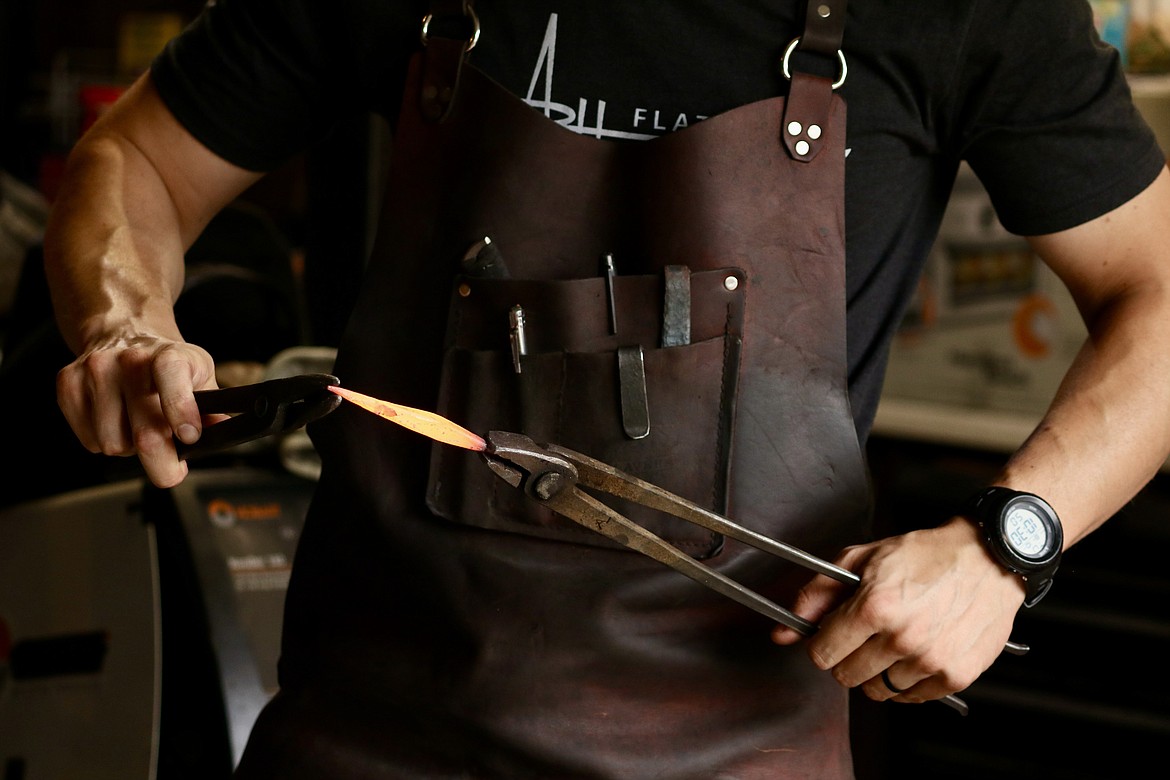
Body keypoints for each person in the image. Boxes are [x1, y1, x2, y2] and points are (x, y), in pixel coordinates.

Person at [42, 0, 1170, 777]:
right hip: (368, 734)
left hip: (732, 749)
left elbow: (1159, 298)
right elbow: (130, 161)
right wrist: (122, 324)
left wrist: (1005, 546)